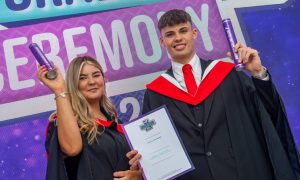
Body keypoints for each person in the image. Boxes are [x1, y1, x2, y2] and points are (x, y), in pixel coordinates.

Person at [135, 9, 300, 180]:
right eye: (170, 34)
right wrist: (143, 158)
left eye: (183, 30)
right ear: (162, 41)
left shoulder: (228, 75)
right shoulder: (155, 93)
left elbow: (268, 114)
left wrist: (258, 74)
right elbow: (154, 147)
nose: (178, 38)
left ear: (194, 33)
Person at [38, 56, 142, 180]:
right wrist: (59, 89)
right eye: (82, 78)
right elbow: (72, 149)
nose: (92, 82)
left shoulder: (116, 122)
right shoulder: (68, 122)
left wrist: (138, 176)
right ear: (74, 84)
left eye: (96, 75)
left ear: (103, 79)